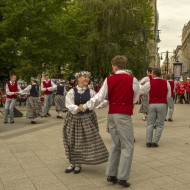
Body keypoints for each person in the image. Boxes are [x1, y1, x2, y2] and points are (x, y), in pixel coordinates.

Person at [80, 55, 140, 187]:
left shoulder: (109, 79)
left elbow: (99, 97)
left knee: (116, 144)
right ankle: (122, 177)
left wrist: (85, 106)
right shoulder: (132, 79)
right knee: (128, 145)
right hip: (123, 114)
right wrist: (130, 103)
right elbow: (136, 96)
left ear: (115, 66)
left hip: (112, 114)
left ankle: (111, 174)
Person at [63, 71, 108, 175]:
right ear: (78, 78)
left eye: (88, 77)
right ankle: (72, 162)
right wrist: (78, 108)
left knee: (82, 142)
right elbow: (68, 104)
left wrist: (106, 102)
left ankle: (78, 163)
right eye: (84, 77)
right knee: (71, 141)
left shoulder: (91, 92)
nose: (87, 79)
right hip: (73, 119)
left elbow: (99, 102)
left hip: (87, 119)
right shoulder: (71, 92)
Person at [140, 68, 171, 148]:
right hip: (162, 104)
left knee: (150, 123)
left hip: (152, 103)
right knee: (160, 124)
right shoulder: (166, 82)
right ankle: (154, 142)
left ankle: (148, 141)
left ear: (153, 74)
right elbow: (169, 95)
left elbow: (142, 91)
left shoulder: (150, 83)